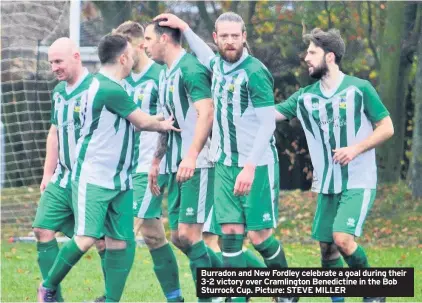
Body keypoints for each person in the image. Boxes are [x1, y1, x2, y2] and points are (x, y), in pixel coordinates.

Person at [154, 13, 296, 303]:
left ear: (244, 37)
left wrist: (250, 167)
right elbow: (204, 54)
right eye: (225, 36)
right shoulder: (217, 65)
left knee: (259, 238)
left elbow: (268, 123)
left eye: (236, 36)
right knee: (228, 234)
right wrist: (185, 29)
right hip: (224, 164)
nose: (230, 42)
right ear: (217, 38)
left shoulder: (254, 72)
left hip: (256, 166)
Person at [37, 34, 179, 303]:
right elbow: (142, 122)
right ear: (123, 58)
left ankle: (110, 300)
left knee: (119, 241)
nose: (134, 61)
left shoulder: (106, 86)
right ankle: (47, 287)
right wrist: (165, 123)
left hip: (121, 179)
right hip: (96, 177)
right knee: (87, 236)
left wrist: (159, 118)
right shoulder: (107, 88)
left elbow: (135, 116)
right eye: (132, 56)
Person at [275, 28, 394, 303]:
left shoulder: (359, 89)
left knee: (342, 239)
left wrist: (355, 148)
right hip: (328, 184)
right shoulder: (305, 96)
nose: (306, 57)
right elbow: (271, 115)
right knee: (328, 250)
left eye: (312, 52)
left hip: (358, 180)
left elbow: (387, 127)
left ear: (330, 57)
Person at [143, 19, 221, 302]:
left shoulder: (191, 69)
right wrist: (156, 161)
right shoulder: (165, 73)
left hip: (198, 164)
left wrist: (191, 155)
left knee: (190, 235)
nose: (144, 44)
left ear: (165, 38)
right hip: (174, 165)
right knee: (177, 237)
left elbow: (206, 112)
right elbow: (167, 122)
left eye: (149, 38)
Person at [113, 20, 183, 303]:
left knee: (124, 233)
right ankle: (176, 297)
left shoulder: (160, 75)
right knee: (156, 236)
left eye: (124, 49)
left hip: (148, 169)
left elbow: (172, 121)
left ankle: (110, 297)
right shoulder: (119, 79)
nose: (121, 56)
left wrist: (158, 160)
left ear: (140, 44)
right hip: (123, 171)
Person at [32, 37, 105, 302]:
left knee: (104, 242)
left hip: (91, 179)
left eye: (58, 61)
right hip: (62, 178)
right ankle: (52, 296)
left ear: (76, 56)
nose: (53, 67)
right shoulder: (59, 93)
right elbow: (54, 133)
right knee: (42, 229)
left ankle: (110, 296)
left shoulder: (98, 89)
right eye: (51, 62)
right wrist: (47, 174)